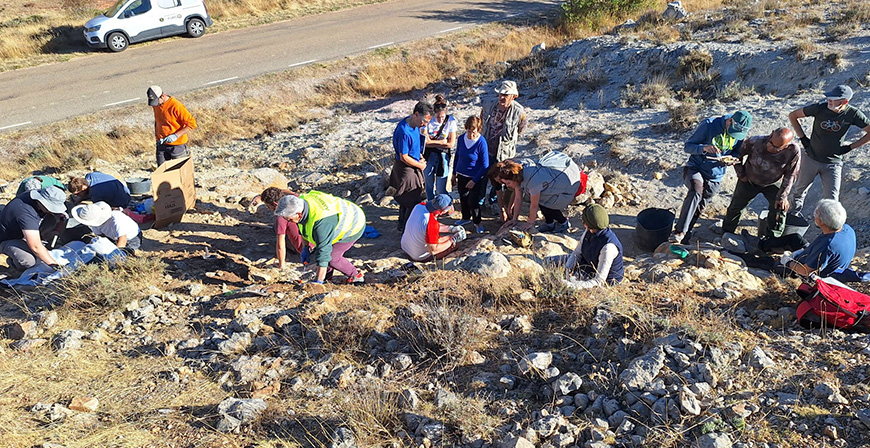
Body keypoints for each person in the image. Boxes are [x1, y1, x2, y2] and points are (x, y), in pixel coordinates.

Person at [671, 110, 752, 244]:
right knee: (696, 191)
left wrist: (732, 160)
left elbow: (736, 153)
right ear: (729, 120)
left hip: (716, 174)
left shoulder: (739, 134)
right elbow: (688, 146)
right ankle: (679, 231)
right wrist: (704, 148)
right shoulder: (709, 125)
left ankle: (686, 233)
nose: (735, 135)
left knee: (702, 202)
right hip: (695, 167)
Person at [788, 85, 870, 214]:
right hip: (811, 158)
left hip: (833, 163)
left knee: (832, 200)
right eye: (829, 98)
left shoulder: (852, 114)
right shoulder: (819, 108)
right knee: (799, 190)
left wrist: (850, 147)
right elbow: (793, 116)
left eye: (833, 99)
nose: (829, 101)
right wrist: (803, 139)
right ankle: (792, 218)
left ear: (844, 102)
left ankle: (827, 227)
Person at [722, 128, 801, 239]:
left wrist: (783, 196)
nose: (771, 148)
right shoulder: (755, 141)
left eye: (777, 148)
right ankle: (727, 232)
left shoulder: (793, 151)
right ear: (771, 134)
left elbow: (791, 174)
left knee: (779, 209)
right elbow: (736, 156)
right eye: (771, 143)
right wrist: (741, 174)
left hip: (773, 183)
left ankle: (772, 239)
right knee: (736, 206)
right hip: (749, 179)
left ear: (786, 146)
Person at [274, 191, 366, 284]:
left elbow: (324, 253)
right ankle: (327, 277)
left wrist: (318, 282)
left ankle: (355, 275)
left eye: (290, 219)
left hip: (353, 223)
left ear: (299, 214)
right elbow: (304, 227)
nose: (289, 222)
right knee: (324, 251)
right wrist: (305, 247)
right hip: (333, 221)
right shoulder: (301, 202)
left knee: (331, 257)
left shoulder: (321, 222)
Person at [490, 151, 584, 233]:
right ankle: (549, 223)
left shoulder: (532, 182)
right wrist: (514, 219)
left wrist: (529, 223)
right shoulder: (518, 177)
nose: (507, 185)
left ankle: (563, 222)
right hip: (548, 185)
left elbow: (534, 206)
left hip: (564, 188)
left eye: (508, 183)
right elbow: (518, 199)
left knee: (545, 203)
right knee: (542, 200)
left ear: (513, 179)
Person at [481, 80, 528, 221]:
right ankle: (482, 201)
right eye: (501, 94)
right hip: (486, 149)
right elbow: (481, 120)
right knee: (484, 175)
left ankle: (497, 204)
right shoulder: (489, 105)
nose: (502, 97)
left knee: (501, 178)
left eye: (506, 95)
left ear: (513, 96)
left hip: (505, 152)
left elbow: (521, 129)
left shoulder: (519, 111)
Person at [780, 199, 855, 278]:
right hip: (817, 256)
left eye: (816, 213)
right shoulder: (846, 229)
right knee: (794, 238)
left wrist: (788, 262)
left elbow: (806, 271)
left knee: (772, 264)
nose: (814, 215)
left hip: (810, 274)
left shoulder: (828, 245)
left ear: (822, 222)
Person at [390, 101, 433, 232]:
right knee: (410, 198)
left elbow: (414, 146)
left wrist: (420, 156)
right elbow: (404, 156)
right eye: (424, 121)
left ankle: (402, 225)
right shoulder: (404, 131)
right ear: (416, 114)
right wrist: (419, 165)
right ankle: (407, 228)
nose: (425, 125)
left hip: (413, 164)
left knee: (410, 197)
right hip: (406, 168)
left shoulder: (414, 127)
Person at [0, 187, 67, 271]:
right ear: (40, 201)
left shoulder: (35, 196)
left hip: (22, 230)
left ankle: (41, 244)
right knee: (29, 260)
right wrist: (55, 266)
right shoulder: (25, 212)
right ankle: (14, 264)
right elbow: (35, 247)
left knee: (56, 219)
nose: (52, 211)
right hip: (5, 239)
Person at [562, 204, 624, 289]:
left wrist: (572, 285)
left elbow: (599, 281)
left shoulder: (608, 247)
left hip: (604, 282)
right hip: (587, 264)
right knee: (550, 262)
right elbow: (577, 253)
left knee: (569, 281)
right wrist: (567, 269)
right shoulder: (589, 231)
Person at [251, 187, 307, 269]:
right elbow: (287, 191)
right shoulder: (296, 200)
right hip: (314, 242)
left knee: (278, 231)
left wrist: (282, 264)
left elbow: (280, 244)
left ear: (275, 204)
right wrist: (261, 196)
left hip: (303, 249)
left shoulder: (281, 216)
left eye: (268, 206)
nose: (269, 209)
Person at [401, 194, 467, 262]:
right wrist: (453, 240)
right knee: (455, 243)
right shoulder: (431, 224)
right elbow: (433, 251)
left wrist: (451, 229)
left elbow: (429, 227)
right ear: (443, 212)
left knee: (447, 237)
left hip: (405, 247)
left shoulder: (419, 206)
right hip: (419, 256)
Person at [452, 116, 489, 234]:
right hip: (462, 174)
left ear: (478, 130)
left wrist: (474, 180)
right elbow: (457, 156)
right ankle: (465, 218)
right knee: (463, 197)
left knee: (473, 201)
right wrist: (454, 173)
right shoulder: (461, 138)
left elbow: (485, 164)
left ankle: (477, 222)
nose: (471, 134)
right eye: (468, 131)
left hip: (476, 176)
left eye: (473, 131)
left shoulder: (481, 142)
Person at [148, 85, 198, 167]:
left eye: (157, 101)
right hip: (161, 144)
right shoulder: (156, 105)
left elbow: (192, 124)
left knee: (180, 170)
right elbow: (158, 120)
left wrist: (175, 136)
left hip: (177, 146)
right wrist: (157, 137)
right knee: (162, 171)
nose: (156, 104)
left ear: (163, 96)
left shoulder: (176, 106)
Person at [423, 94, 457, 201]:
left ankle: (446, 205)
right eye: (438, 117)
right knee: (429, 186)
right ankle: (431, 207)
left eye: (443, 117)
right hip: (429, 156)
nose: (440, 120)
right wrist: (441, 142)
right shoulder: (428, 121)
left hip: (443, 156)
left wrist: (433, 142)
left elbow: (451, 144)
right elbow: (425, 142)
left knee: (441, 188)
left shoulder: (450, 121)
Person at [71, 201, 142, 251]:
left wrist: (116, 256)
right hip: (112, 237)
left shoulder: (117, 219)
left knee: (126, 253)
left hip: (132, 238)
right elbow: (101, 236)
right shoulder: (93, 222)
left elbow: (123, 240)